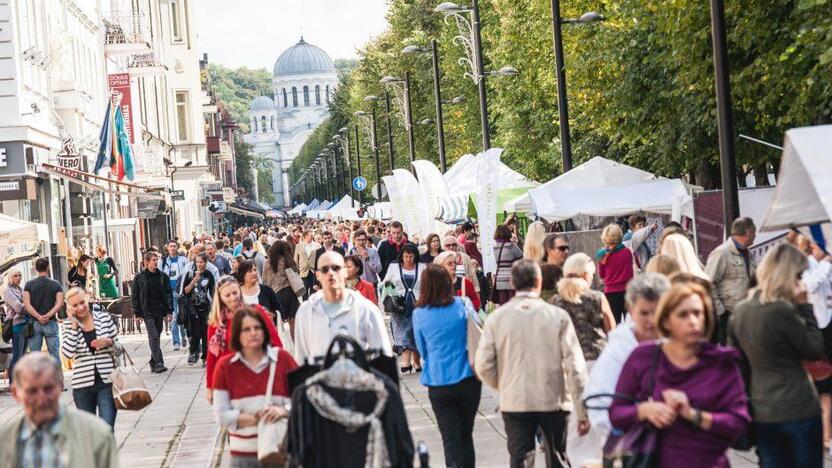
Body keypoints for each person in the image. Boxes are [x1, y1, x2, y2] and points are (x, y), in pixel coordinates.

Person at [610, 282, 750, 468]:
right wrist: (644, 410)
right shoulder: (644, 357)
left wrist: (693, 415)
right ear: (666, 320)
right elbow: (616, 413)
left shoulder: (721, 362)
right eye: (683, 314)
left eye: (698, 313)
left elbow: (739, 422)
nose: (692, 321)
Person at [475, 259, 589, 468]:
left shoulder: (496, 318)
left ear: (512, 282)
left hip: (515, 399)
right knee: (558, 457)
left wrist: (504, 384)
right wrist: (582, 410)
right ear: (539, 281)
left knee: (520, 458)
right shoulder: (558, 316)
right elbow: (575, 367)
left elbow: (483, 364)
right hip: (553, 398)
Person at [730, 243, 825, 467]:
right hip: (797, 406)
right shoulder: (782, 311)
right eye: (799, 274)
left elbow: (738, 365)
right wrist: (806, 307)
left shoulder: (741, 311)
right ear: (788, 274)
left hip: (763, 409)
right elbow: (813, 349)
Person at [582, 273, 670, 460]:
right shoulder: (618, 351)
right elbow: (599, 402)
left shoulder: (676, 343)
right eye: (645, 313)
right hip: (632, 449)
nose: (652, 321)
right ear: (631, 309)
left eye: (658, 312)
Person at [413, 264, 481, 468]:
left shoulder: (419, 313)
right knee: (466, 435)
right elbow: (476, 332)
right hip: (467, 377)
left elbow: (422, 349)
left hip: (438, 379)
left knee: (450, 438)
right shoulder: (463, 304)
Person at [212, 306, 298, 466]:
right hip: (244, 456)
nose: (253, 333)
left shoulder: (283, 360)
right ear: (237, 333)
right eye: (246, 329)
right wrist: (259, 418)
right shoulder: (226, 367)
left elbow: (303, 398)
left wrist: (283, 410)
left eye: (257, 327)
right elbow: (222, 414)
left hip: (280, 451)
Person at [0, 352, 119, 467]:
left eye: (48, 389)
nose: (41, 399)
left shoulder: (97, 435)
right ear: (16, 393)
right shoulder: (5, 441)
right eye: (32, 391)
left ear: (60, 386)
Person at [294, 251, 392, 365]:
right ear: (318, 275)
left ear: (345, 271)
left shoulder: (366, 309)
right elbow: (301, 358)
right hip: (320, 380)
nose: (331, 273)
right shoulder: (306, 312)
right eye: (325, 269)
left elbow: (383, 356)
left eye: (336, 268)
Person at [206, 277, 282, 403]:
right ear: (220, 298)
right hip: (230, 378)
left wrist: (278, 367)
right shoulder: (216, 323)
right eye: (227, 295)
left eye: (235, 293)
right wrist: (210, 387)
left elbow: (275, 340)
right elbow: (212, 356)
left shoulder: (256, 311)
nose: (233, 298)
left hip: (259, 372)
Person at [61, 287, 121, 429]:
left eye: (82, 302)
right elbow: (67, 353)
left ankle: (107, 452)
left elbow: (120, 350)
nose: (80, 307)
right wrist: (74, 327)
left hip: (107, 382)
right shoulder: (68, 325)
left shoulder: (104, 318)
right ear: (69, 308)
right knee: (89, 433)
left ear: (87, 299)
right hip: (82, 386)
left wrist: (110, 342)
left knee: (106, 428)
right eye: (75, 305)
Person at [705, 216, 757, 344]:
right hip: (728, 314)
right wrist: (721, 312)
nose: (755, 236)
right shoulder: (722, 253)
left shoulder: (749, 254)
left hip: (746, 313)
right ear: (748, 233)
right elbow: (707, 283)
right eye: (754, 233)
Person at [382, 243, 425, 373]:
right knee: (402, 333)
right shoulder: (394, 267)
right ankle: (405, 362)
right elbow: (385, 284)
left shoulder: (422, 267)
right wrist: (388, 294)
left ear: (415, 256)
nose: (408, 259)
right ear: (401, 256)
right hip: (399, 305)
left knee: (416, 333)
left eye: (411, 256)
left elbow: (427, 283)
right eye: (405, 256)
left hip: (418, 303)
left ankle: (416, 361)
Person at [132, 251, 173, 373]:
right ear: (147, 262)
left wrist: (169, 311)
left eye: (157, 260)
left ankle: (152, 362)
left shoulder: (163, 276)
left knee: (156, 337)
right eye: (153, 260)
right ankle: (159, 363)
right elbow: (135, 296)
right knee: (154, 336)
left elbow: (168, 294)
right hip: (147, 312)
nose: (156, 262)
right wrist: (137, 313)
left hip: (159, 311)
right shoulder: (139, 277)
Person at [22, 257, 64, 363]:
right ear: (48, 267)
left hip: (34, 323)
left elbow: (27, 305)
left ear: (36, 269)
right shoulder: (56, 284)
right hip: (51, 322)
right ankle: (58, 379)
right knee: (54, 354)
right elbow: (60, 303)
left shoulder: (29, 285)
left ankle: (37, 379)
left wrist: (38, 317)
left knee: (35, 356)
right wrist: (48, 316)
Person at [183, 252, 216, 367]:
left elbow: (212, 291)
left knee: (206, 333)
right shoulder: (190, 274)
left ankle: (205, 357)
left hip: (205, 306)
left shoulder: (209, 275)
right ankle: (193, 352)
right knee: (195, 333)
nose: (199, 264)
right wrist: (193, 281)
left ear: (206, 263)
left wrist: (214, 306)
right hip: (193, 308)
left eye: (201, 262)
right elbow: (186, 291)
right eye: (197, 262)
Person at [596, 223, 634, 323]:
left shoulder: (603, 254)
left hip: (611, 293)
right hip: (627, 290)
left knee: (614, 323)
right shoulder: (627, 252)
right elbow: (630, 274)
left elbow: (602, 275)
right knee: (630, 323)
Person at [263, 240, 301, 337]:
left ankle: (280, 346)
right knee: (293, 322)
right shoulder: (287, 261)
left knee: (278, 324)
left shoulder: (267, 263)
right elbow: (297, 272)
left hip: (276, 294)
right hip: (290, 293)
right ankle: (296, 346)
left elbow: (264, 281)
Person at [162, 240, 189, 351]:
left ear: (177, 247)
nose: (172, 248)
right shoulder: (163, 261)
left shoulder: (183, 260)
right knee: (173, 317)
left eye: (174, 246)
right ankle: (176, 341)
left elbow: (188, 274)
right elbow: (160, 276)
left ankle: (183, 335)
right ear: (167, 248)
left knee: (181, 315)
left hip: (181, 292)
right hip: (169, 292)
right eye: (170, 246)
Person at [3, 269, 27, 384]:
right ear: (10, 278)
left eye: (20, 275)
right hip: (17, 324)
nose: (19, 277)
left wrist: (25, 306)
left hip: (26, 323)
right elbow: (18, 307)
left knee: (22, 356)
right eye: (16, 276)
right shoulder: (8, 290)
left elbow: (24, 305)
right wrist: (28, 307)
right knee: (17, 355)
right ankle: (12, 383)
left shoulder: (21, 289)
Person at [492, 224, 523, 306]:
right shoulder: (511, 246)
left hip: (500, 279)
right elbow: (521, 258)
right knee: (514, 304)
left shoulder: (495, 247)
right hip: (512, 278)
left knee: (504, 304)